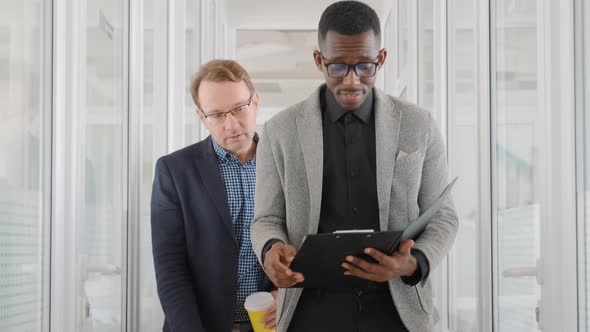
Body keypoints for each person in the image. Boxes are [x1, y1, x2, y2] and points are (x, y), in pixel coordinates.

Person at [251, 1, 458, 331]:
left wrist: (413, 263)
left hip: (396, 309)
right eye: (337, 67)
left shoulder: (420, 124)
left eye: (365, 66)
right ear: (319, 60)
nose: (351, 81)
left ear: (382, 58)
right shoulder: (280, 130)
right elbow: (266, 219)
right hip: (310, 311)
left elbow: (444, 215)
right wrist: (271, 249)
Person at [151, 59, 276, 332]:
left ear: (255, 102)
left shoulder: (284, 164)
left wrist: (288, 295)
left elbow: (302, 242)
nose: (231, 124)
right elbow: (171, 271)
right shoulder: (174, 171)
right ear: (201, 117)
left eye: (239, 109)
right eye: (217, 115)